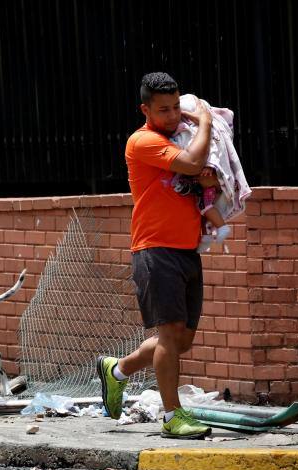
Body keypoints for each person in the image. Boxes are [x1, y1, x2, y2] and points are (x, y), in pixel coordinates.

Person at [96, 72, 217, 439]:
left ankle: (117, 370)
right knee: (168, 337)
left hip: (186, 250)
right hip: (155, 249)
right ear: (145, 109)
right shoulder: (143, 141)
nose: (173, 115)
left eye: (177, 106)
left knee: (182, 341)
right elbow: (193, 164)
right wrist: (207, 121)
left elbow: (198, 176)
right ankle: (172, 417)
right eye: (163, 109)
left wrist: (208, 181)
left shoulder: (175, 138)